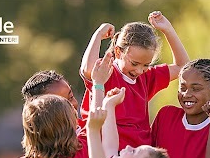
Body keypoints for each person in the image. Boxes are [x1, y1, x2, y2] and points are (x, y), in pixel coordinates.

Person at [79, 10, 189, 149]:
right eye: (134, 63)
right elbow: (87, 69)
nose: (139, 70)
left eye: (146, 65)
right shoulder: (105, 72)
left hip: (138, 153)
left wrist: (168, 30)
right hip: (109, 151)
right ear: (118, 52)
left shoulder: (146, 77)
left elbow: (183, 67)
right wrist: (98, 34)